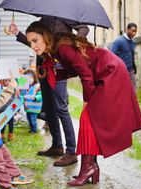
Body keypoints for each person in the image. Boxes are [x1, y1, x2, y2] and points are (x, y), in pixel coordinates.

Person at [24, 21, 141, 186]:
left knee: (87, 119)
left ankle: (88, 168)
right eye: (30, 42)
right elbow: (74, 68)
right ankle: (90, 167)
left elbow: (86, 74)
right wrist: (51, 72)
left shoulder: (62, 48)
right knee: (88, 122)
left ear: (45, 37)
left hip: (110, 71)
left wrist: (86, 102)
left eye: (35, 40)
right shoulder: (56, 50)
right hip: (104, 70)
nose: (32, 45)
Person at [8, 17, 89, 166]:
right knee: (50, 108)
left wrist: (73, 44)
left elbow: (84, 27)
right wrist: (18, 33)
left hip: (58, 67)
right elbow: (35, 43)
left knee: (61, 108)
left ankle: (71, 151)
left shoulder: (64, 15)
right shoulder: (42, 20)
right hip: (43, 67)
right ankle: (57, 146)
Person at [110, 23, 138, 91]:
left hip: (130, 71)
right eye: (132, 31)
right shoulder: (119, 41)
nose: (134, 33)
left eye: (135, 31)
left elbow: (132, 56)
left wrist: (134, 68)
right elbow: (111, 55)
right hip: (121, 72)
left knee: (133, 92)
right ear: (127, 30)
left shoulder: (133, 42)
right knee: (122, 92)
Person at [21, 68, 42, 133]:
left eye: (31, 78)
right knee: (29, 119)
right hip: (28, 107)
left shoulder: (37, 86)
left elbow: (41, 95)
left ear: (34, 78)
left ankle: (34, 130)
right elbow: (22, 95)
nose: (29, 80)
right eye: (27, 78)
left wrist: (35, 97)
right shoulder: (25, 87)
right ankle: (31, 128)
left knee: (33, 119)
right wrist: (23, 101)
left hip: (35, 107)